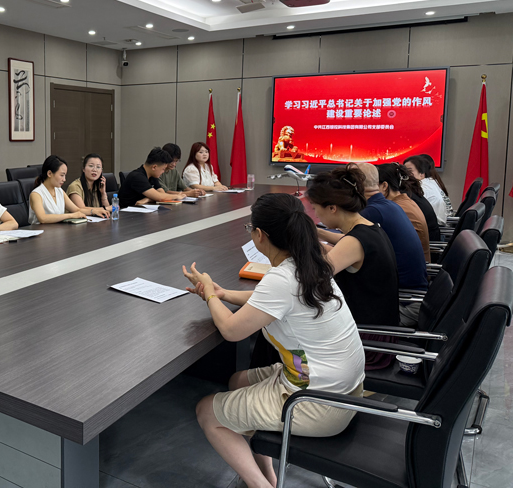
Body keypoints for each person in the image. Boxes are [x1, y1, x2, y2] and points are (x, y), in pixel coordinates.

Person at [183, 193, 364, 488]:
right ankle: (267, 471)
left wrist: (211, 295)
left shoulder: (281, 278)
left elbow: (230, 330)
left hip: (319, 402)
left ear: (260, 235)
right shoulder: (310, 264)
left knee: (207, 411)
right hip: (344, 388)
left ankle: (261, 485)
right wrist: (224, 293)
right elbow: (269, 301)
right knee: (238, 381)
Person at [306, 167, 399, 368]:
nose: (316, 214)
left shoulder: (354, 242)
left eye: (315, 208)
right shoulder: (369, 228)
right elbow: (340, 248)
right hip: (378, 330)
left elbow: (313, 277)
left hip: (366, 340)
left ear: (332, 208)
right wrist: (314, 236)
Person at [345, 163, 428, 291]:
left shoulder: (374, 211)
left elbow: (346, 242)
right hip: (412, 285)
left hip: (402, 292)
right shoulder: (392, 205)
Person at [29, 155, 108, 224]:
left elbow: (76, 209)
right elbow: (43, 218)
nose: (64, 179)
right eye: (62, 175)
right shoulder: (36, 194)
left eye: (65, 176)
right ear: (49, 173)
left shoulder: (59, 191)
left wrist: (94, 211)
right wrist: (70, 215)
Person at [377, 163, 431, 263]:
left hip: (409, 266)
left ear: (384, 186)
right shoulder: (404, 201)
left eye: (374, 185)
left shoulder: (397, 208)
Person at [404, 155, 451, 225]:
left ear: (422, 174)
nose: (405, 174)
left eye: (409, 171)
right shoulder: (431, 182)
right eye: (404, 171)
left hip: (434, 227)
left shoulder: (422, 188)